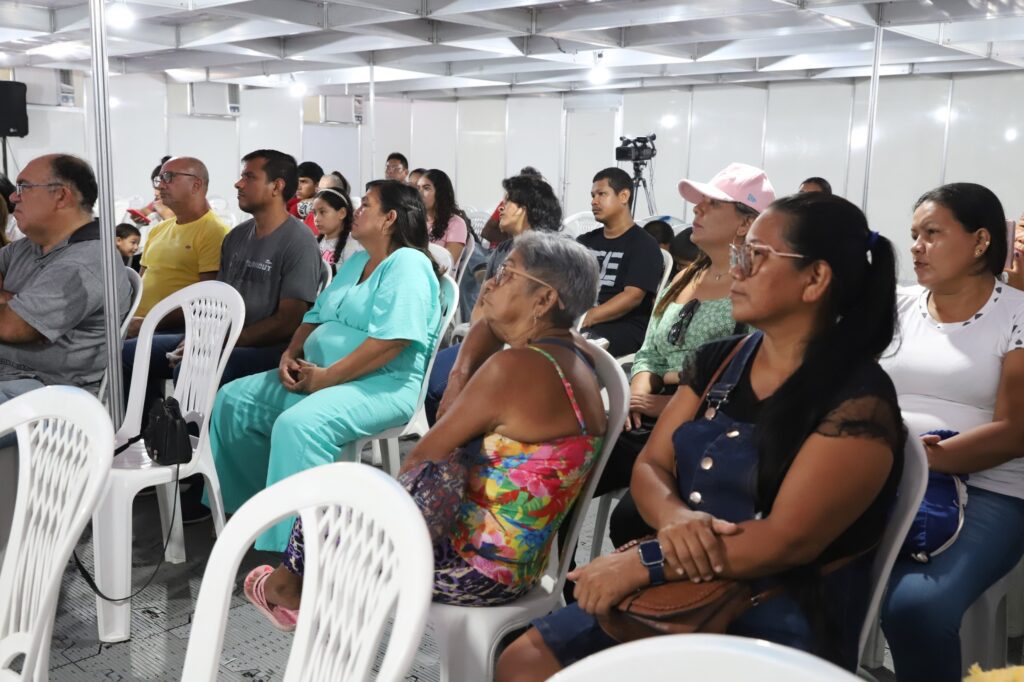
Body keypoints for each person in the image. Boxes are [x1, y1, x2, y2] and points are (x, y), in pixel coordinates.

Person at [497, 193, 905, 679]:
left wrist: (646, 560)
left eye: (757, 257)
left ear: (816, 278)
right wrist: (675, 519)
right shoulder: (721, 361)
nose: (738, 270)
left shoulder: (858, 401)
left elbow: (784, 542)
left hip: (775, 609)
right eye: (740, 254)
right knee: (522, 662)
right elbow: (651, 465)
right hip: (679, 585)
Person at [242, 232, 606, 629]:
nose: (489, 283)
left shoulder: (514, 369)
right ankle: (300, 588)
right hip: (514, 566)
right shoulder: (572, 354)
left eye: (507, 275)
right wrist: (461, 372)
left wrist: (373, 517)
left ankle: (288, 591)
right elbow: (489, 327)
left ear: (545, 300)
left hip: (468, 569)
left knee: (325, 505)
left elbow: (422, 458)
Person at [205, 180, 442, 551]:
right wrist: (291, 352)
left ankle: (300, 547)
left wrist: (328, 377)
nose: (357, 210)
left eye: (366, 205)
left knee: (299, 426)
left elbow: (392, 342)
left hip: (382, 384)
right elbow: (315, 315)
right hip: (320, 373)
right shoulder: (360, 260)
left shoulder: (408, 265)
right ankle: (253, 514)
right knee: (233, 401)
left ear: (390, 218)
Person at [880, 183, 1024, 682]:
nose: (916, 246)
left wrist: (922, 460)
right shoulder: (896, 306)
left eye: (932, 233)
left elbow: (1014, 431)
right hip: (884, 476)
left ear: (981, 241)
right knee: (800, 573)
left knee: (916, 607)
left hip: (990, 490)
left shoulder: (1018, 314)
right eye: (914, 235)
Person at [597, 165, 772, 531]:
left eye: (711, 205)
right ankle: (556, 574)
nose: (696, 210)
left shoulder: (758, 287)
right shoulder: (684, 277)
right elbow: (649, 352)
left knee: (630, 520)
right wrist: (638, 395)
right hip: (649, 413)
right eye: (698, 204)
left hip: (710, 419)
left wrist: (667, 403)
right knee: (570, 463)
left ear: (745, 224)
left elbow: (750, 373)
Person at [425, 173, 564, 424]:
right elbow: (481, 308)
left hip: (523, 348)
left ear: (524, 209)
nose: (501, 208)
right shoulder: (502, 250)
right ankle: (449, 450)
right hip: (488, 338)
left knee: (443, 387)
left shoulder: (547, 256)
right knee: (430, 377)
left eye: (507, 202)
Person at [0, 154, 130, 402]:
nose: (13, 196)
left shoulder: (86, 261)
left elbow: (11, 326)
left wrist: (14, 308)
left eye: (23, 187)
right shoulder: (31, 247)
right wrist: (10, 301)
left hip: (48, 397)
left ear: (61, 196)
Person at [125, 156, 228, 338]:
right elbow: (141, 283)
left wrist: (149, 323)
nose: (161, 186)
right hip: (137, 323)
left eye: (169, 177)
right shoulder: (159, 229)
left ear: (196, 185)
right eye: (160, 179)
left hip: (175, 330)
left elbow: (206, 299)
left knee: (115, 356)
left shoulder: (214, 231)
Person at [577, 167, 664, 356]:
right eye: (592, 195)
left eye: (602, 194)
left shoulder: (644, 245)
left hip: (624, 327)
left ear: (624, 196)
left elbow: (632, 297)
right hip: (583, 320)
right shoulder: (585, 241)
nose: (594, 201)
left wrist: (588, 317)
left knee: (573, 346)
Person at [418, 168, 469, 267]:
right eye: (418, 188)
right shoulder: (416, 220)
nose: (419, 193)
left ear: (440, 194)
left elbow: (447, 265)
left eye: (426, 188)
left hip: (438, 279)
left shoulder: (456, 224)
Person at [482, 166, 544, 247]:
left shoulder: (539, 210)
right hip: (499, 252)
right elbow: (486, 232)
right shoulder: (507, 204)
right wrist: (512, 241)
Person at [313, 186, 361, 273]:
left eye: (322, 212)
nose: (316, 219)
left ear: (342, 213)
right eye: (314, 213)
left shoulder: (354, 246)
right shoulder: (312, 243)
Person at [288, 161, 323, 235]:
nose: (298, 186)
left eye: (303, 181)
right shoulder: (288, 202)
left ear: (317, 184)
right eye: (296, 181)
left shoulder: (322, 207)